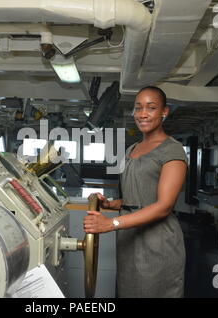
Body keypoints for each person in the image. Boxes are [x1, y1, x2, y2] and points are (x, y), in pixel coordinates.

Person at [83, 86, 187, 298]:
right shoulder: (132, 149)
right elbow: (139, 196)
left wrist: (110, 223)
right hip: (129, 240)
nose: (142, 114)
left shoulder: (172, 150)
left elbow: (163, 207)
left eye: (151, 107)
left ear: (164, 112)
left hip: (158, 243)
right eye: (138, 107)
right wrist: (112, 204)